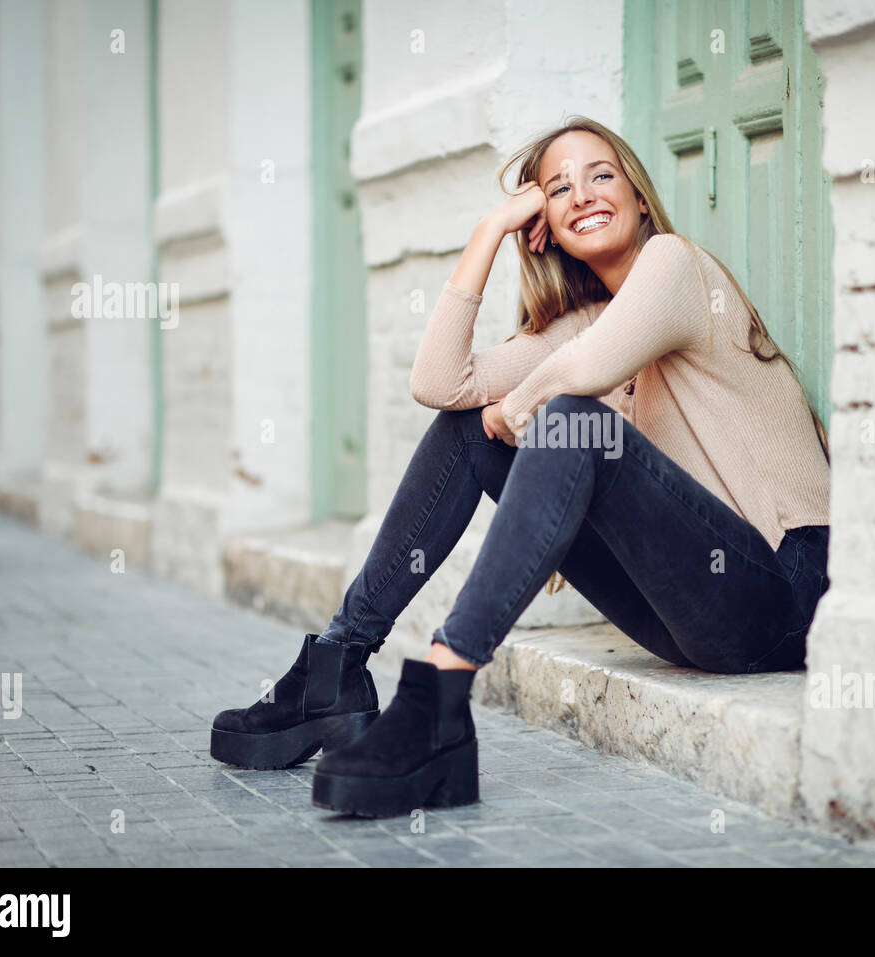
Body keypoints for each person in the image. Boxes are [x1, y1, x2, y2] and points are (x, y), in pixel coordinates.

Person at [211, 116, 832, 819]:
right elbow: (442, 383)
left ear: (637, 192)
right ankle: (336, 665)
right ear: (546, 224)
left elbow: (583, 375)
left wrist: (521, 407)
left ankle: (440, 696)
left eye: (601, 174)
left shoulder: (677, 265)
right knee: (471, 428)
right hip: (690, 616)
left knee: (570, 419)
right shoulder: (585, 322)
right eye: (557, 189)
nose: (583, 195)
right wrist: (490, 231)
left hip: (782, 591)